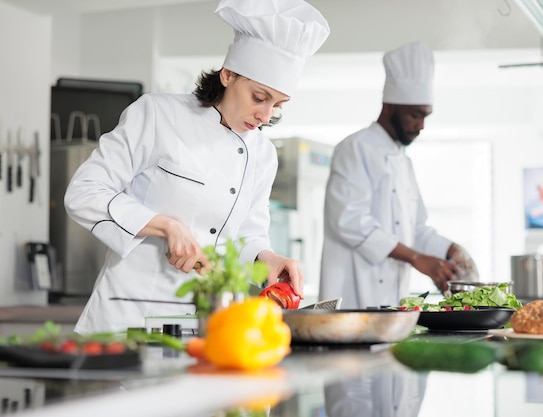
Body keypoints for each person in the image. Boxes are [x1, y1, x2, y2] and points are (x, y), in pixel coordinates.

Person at [64, 0, 330, 334]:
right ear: (228, 74)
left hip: (203, 321)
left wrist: (265, 257)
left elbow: (246, 233)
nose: (266, 116)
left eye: (277, 105)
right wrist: (165, 227)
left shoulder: (262, 153)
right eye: (259, 98)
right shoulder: (159, 115)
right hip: (129, 314)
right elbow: (85, 193)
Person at [319, 42, 478, 309]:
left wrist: (451, 251)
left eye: (426, 116)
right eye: (415, 115)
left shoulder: (404, 163)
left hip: (392, 302)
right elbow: (350, 221)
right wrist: (417, 258)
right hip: (351, 296)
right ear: (391, 106)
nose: (421, 125)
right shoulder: (355, 148)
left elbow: (416, 230)